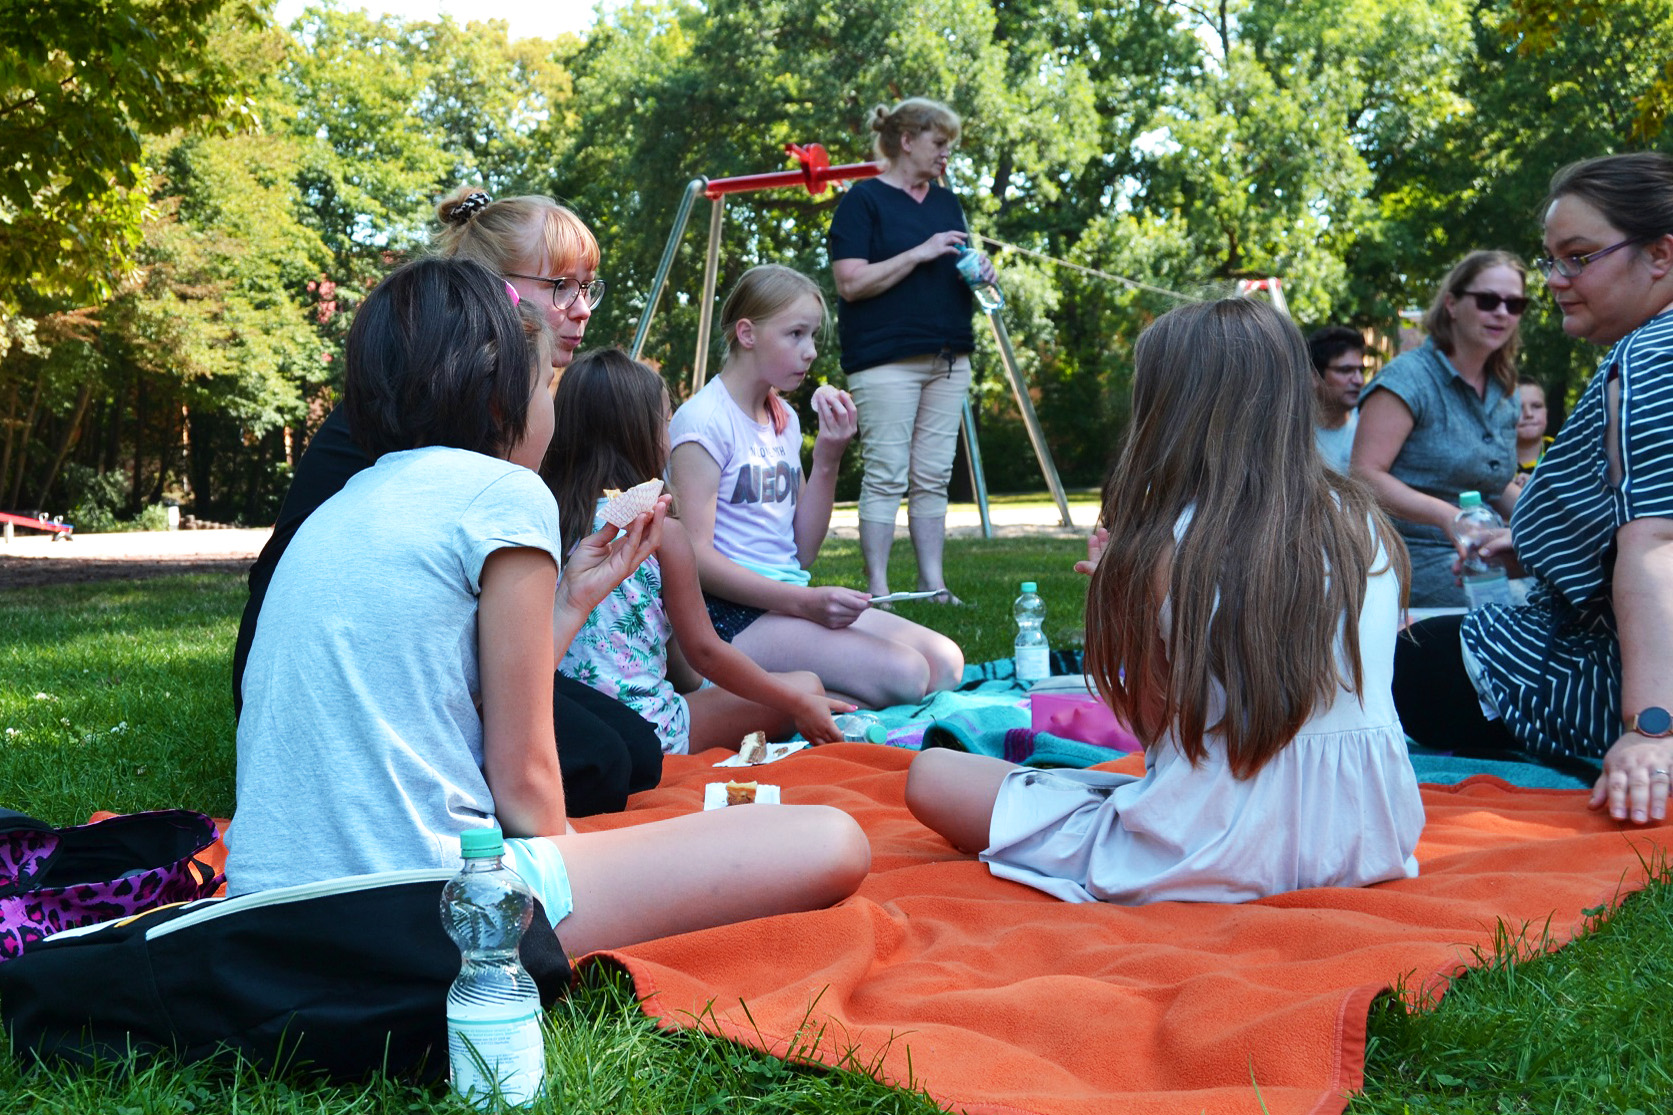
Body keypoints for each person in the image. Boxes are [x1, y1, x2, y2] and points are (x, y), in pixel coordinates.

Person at [226, 259, 870, 954]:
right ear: (503, 402)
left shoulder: (339, 507)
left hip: (265, 908)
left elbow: (461, 701)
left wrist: (572, 599)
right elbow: (526, 786)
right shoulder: (505, 494)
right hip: (422, 910)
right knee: (829, 837)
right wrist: (570, 876)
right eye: (545, 384)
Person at [903, 298, 1422, 904]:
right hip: (1365, 840)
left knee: (932, 775)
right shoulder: (1365, 526)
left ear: (1166, 411)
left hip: (1209, 852)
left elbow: (1156, 733)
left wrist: (1114, 595)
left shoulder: (1167, 545)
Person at [231, 186, 661, 816]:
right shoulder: (462, 444)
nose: (580, 309)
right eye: (560, 287)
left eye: (587, 288)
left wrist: (572, 595)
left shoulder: (447, 420)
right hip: (346, 679)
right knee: (601, 763)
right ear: (496, 292)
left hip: (373, 670)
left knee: (634, 749)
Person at [1392, 152, 1673, 827]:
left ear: (1660, 254)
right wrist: (1527, 543)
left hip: (1579, 675)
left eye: (1576, 257)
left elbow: (1655, 541)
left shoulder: (1647, 359)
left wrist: (1650, 729)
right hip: (1574, 637)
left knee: (1392, 660)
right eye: (1550, 260)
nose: (1553, 281)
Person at [668, 264, 965, 710]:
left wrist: (828, 456)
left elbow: (802, 552)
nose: (810, 352)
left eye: (813, 337)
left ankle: (790, 698)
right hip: (729, 617)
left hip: (787, 601)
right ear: (747, 334)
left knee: (945, 663)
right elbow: (696, 559)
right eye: (796, 335)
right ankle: (776, 701)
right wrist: (805, 603)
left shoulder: (782, 421)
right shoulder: (703, 422)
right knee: (907, 676)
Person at [546, 348, 850, 752]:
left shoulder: (544, 520)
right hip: (649, 733)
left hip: (561, 725)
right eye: (666, 423)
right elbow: (705, 653)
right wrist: (796, 704)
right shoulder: (658, 530)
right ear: (646, 433)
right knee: (806, 686)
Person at [827, 97, 995, 605]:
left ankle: (933, 586)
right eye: (940, 144)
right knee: (887, 472)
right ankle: (878, 589)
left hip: (950, 357)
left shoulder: (946, 202)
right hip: (884, 360)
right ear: (907, 140)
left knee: (933, 476)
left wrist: (980, 271)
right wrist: (921, 252)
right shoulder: (863, 200)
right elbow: (850, 283)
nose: (947, 155)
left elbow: (954, 264)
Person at [1351, 250, 1526, 606]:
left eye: (1515, 304)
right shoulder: (1408, 378)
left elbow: (1493, 484)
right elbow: (1364, 474)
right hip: (1406, 557)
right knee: (1520, 609)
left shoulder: (1506, 389)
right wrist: (1448, 517)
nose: (1502, 312)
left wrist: (1545, 522)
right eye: (1488, 300)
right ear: (1451, 304)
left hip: (1480, 551)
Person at [1307, 325, 1366, 472]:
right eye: (1345, 370)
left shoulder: (1368, 430)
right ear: (1314, 376)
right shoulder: (1291, 431)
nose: (1358, 380)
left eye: (1361, 370)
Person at [1500, 377, 1553, 509]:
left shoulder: (1564, 452)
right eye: (1518, 407)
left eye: (1536, 406)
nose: (1528, 414)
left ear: (1546, 411)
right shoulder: (1493, 457)